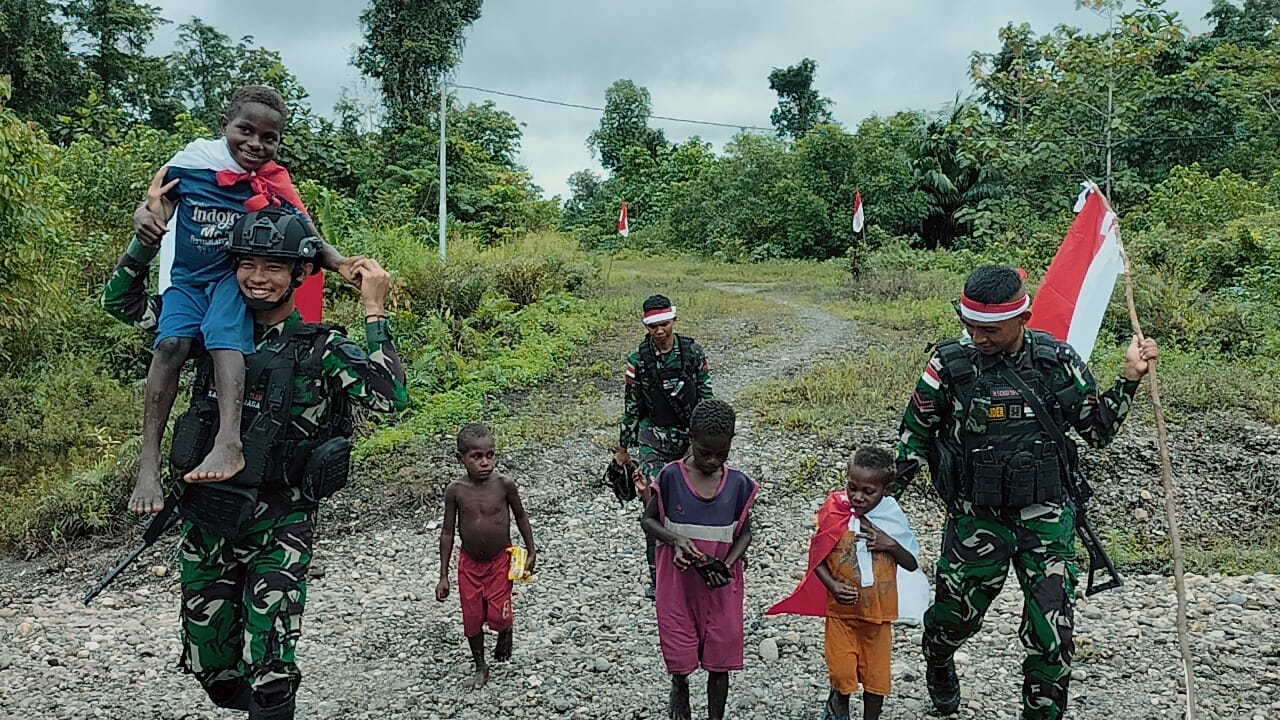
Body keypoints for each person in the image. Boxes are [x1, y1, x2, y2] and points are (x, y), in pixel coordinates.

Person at [101, 208, 408, 720]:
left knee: (270, 667)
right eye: (247, 264)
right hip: (208, 518)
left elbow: (389, 396)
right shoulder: (207, 329)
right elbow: (121, 303)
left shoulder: (321, 347)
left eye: (274, 267)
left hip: (281, 522)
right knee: (210, 664)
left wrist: (373, 310)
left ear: (300, 274)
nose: (258, 278)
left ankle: (271, 706)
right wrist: (143, 240)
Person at [894, 264, 1157, 720]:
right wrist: (872, 504)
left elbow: (1097, 432)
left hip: (1046, 519)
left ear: (1024, 318)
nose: (978, 337)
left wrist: (1129, 378)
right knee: (954, 621)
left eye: (990, 329)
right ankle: (938, 659)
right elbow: (913, 439)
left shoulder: (1057, 363)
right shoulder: (949, 364)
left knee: (1052, 641)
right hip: (977, 519)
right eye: (971, 325)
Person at [126, 84, 355, 518]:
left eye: (269, 138)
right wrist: (144, 217)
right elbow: (155, 205)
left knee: (222, 338)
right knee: (170, 346)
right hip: (188, 281)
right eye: (245, 131)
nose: (255, 144)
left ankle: (228, 442)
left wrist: (341, 263)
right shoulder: (192, 165)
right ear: (224, 127)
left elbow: (305, 233)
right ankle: (148, 464)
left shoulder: (274, 181)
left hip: (233, 279)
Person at [767, 447, 923, 720]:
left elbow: (911, 562)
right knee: (841, 671)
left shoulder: (891, 517)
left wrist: (891, 545)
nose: (858, 496)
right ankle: (838, 701)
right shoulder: (835, 510)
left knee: (876, 679)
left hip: (878, 616)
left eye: (868, 491)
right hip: (841, 613)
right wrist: (832, 586)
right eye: (852, 487)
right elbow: (817, 557)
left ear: (886, 489)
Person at [642, 399, 756, 720]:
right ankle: (680, 687)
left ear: (731, 443)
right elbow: (648, 520)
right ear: (690, 439)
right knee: (679, 646)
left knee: (720, 653)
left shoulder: (737, 485)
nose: (712, 460)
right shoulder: (670, 478)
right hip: (679, 582)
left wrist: (728, 563)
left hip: (720, 584)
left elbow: (745, 533)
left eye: (721, 453)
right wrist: (676, 540)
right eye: (705, 451)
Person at [618, 294, 712, 599]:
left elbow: (707, 396)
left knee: (698, 503)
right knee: (653, 505)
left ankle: (699, 565)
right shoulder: (638, 359)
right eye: (654, 326)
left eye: (665, 324)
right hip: (652, 439)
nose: (660, 331)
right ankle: (657, 577)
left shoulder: (692, 352)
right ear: (647, 326)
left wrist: (704, 443)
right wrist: (624, 447)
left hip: (690, 440)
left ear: (674, 320)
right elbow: (631, 404)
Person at [436, 423, 537, 691]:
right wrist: (443, 575)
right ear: (461, 459)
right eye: (476, 457)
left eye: (490, 455)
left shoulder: (504, 485)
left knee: (498, 613)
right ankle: (481, 665)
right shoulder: (455, 491)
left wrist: (531, 550)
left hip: (499, 561)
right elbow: (447, 532)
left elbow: (521, 516)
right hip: (469, 564)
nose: (485, 462)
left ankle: (505, 630)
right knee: (471, 617)